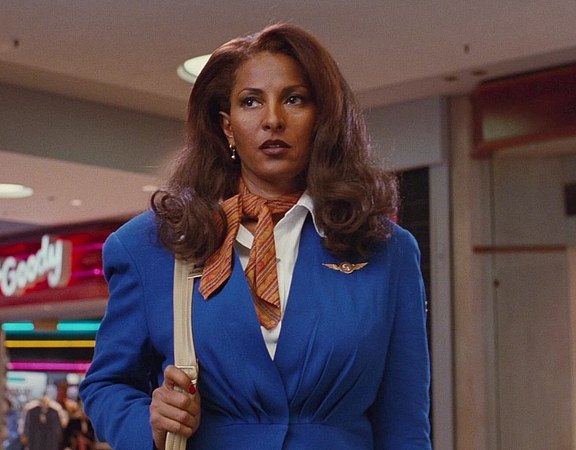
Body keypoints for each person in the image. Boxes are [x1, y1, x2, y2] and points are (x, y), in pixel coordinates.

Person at [79, 22, 431, 449]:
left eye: (294, 99)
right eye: (251, 101)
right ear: (227, 126)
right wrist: (149, 422)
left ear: (322, 118)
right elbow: (106, 385)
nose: (273, 120)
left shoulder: (388, 251)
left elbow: (404, 421)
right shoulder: (151, 246)